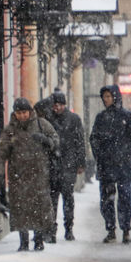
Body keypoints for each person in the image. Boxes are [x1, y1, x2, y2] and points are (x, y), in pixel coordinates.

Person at [0, 97, 60, 252]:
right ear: (15, 113)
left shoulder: (42, 124)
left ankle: (39, 238)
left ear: (30, 112)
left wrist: (46, 140)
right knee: (20, 208)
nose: (22, 116)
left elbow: (56, 141)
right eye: (19, 113)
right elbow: (1, 153)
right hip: (18, 176)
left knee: (39, 206)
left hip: (39, 175)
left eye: (24, 112)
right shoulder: (10, 130)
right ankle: (23, 241)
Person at [90, 84, 131, 244]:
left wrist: (125, 152)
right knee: (106, 199)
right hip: (106, 165)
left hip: (123, 165)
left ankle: (126, 229)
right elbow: (94, 138)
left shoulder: (127, 117)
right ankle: (111, 229)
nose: (106, 100)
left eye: (109, 96)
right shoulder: (101, 118)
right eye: (104, 97)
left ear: (115, 97)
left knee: (125, 197)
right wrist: (100, 154)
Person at [44, 90, 86, 242]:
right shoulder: (47, 118)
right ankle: (51, 230)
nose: (58, 108)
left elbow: (80, 141)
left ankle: (69, 228)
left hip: (68, 164)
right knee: (52, 200)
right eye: (55, 105)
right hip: (53, 165)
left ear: (65, 105)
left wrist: (80, 162)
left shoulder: (73, 119)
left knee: (68, 198)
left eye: (60, 104)